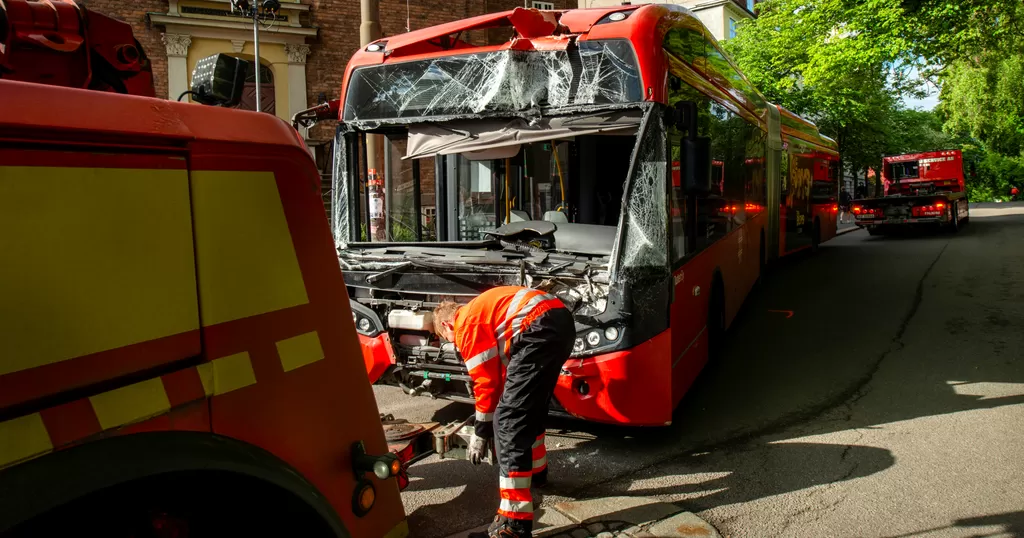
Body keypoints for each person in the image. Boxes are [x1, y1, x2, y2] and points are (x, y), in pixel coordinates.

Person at [433, 287, 575, 538]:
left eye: (447, 338)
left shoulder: (466, 324)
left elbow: (487, 384)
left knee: (509, 421)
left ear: (447, 324)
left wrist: (481, 431)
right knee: (531, 409)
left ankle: (514, 523)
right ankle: (536, 474)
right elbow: (500, 378)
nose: (453, 345)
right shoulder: (480, 310)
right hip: (559, 322)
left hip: (539, 327)